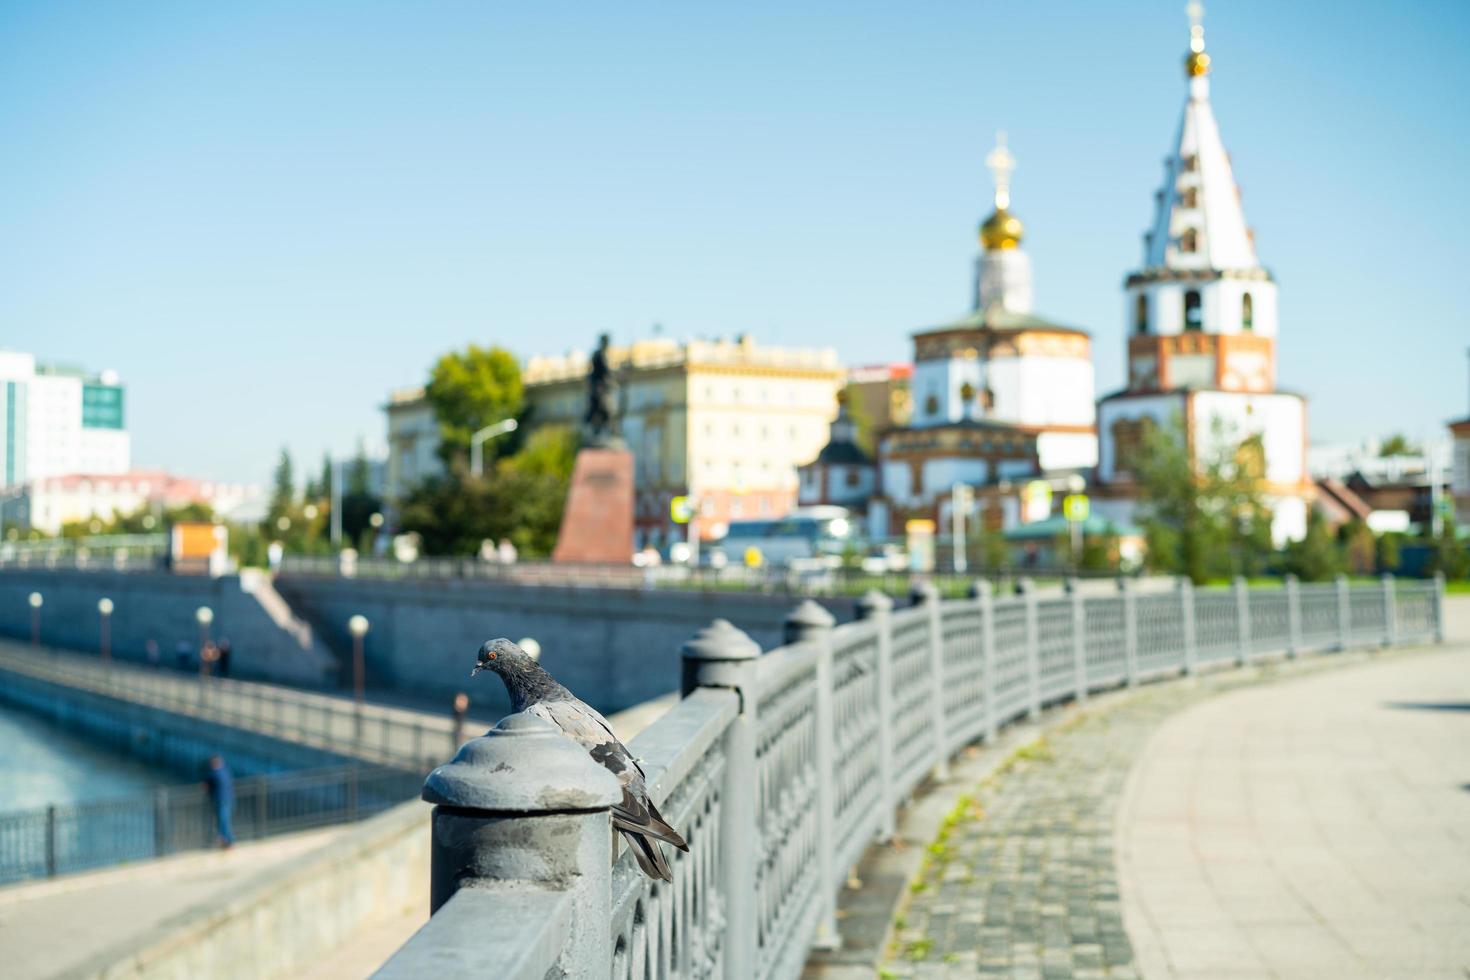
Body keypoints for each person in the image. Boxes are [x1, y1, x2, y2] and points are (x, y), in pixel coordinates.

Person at [202, 755, 235, 848]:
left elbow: (205, 786)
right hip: (228, 799)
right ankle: (226, 841)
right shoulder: (226, 770)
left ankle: (226, 841)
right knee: (225, 820)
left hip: (220, 800)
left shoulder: (212, 773)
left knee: (222, 821)